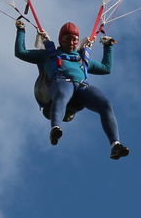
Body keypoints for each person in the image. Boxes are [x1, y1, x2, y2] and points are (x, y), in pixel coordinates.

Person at [14, 18, 128, 160]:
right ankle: (55, 128)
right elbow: (21, 52)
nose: (72, 42)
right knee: (62, 94)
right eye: (68, 39)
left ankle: (115, 145)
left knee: (106, 104)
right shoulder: (48, 55)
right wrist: (21, 30)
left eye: (75, 39)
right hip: (61, 83)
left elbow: (106, 68)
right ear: (61, 40)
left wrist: (108, 46)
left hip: (81, 89)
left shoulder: (83, 59)